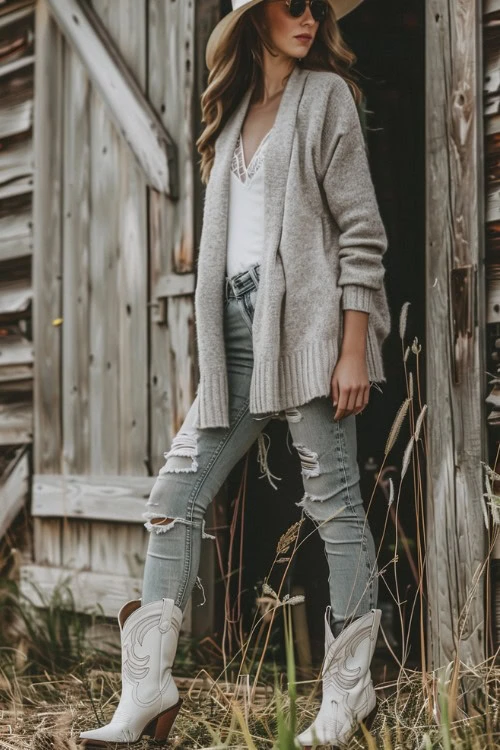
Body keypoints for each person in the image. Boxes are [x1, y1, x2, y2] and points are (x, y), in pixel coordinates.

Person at [79, 0, 392, 747]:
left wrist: (354, 346)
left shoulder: (328, 99)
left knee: (333, 505)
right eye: (293, 4)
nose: (309, 17)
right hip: (238, 340)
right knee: (173, 496)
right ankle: (147, 691)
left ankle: (350, 694)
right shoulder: (231, 114)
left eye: (318, 6)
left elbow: (361, 232)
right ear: (254, 19)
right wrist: (215, 360)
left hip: (312, 334)